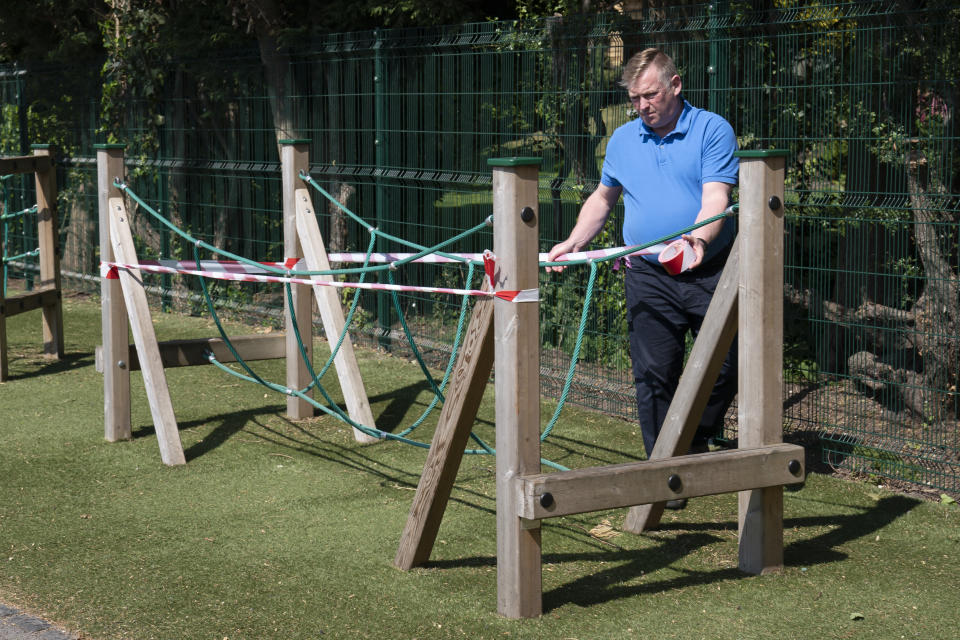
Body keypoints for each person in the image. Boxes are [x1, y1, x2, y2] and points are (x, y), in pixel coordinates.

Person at [546, 48, 739, 508]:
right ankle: (663, 477)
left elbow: (716, 198)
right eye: (634, 99)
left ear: (675, 85)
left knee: (731, 364)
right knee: (653, 374)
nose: (641, 106)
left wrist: (697, 240)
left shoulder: (712, 129)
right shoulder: (623, 140)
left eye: (649, 95)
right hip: (647, 273)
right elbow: (602, 198)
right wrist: (575, 240)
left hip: (708, 267)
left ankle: (690, 440)